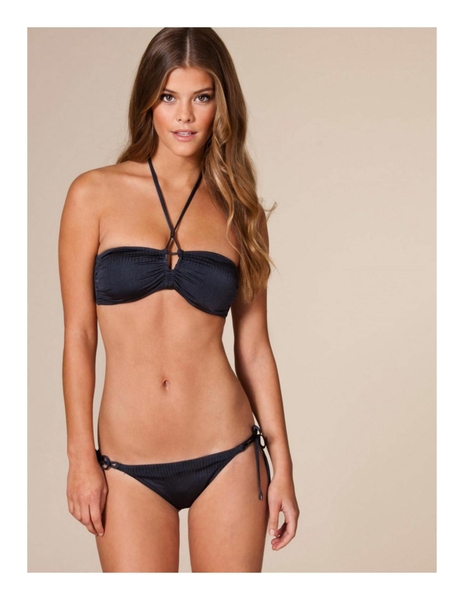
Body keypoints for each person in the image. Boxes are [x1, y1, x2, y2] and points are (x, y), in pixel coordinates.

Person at [58, 27, 299, 573]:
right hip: (128, 464)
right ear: (148, 101)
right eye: (169, 97)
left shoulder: (240, 212)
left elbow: (254, 349)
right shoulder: (93, 195)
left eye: (201, 97)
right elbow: (78, 335)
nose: (185, 115)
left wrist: (282, 464)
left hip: (228, 454)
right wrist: (79, 455)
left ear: (221, 104)